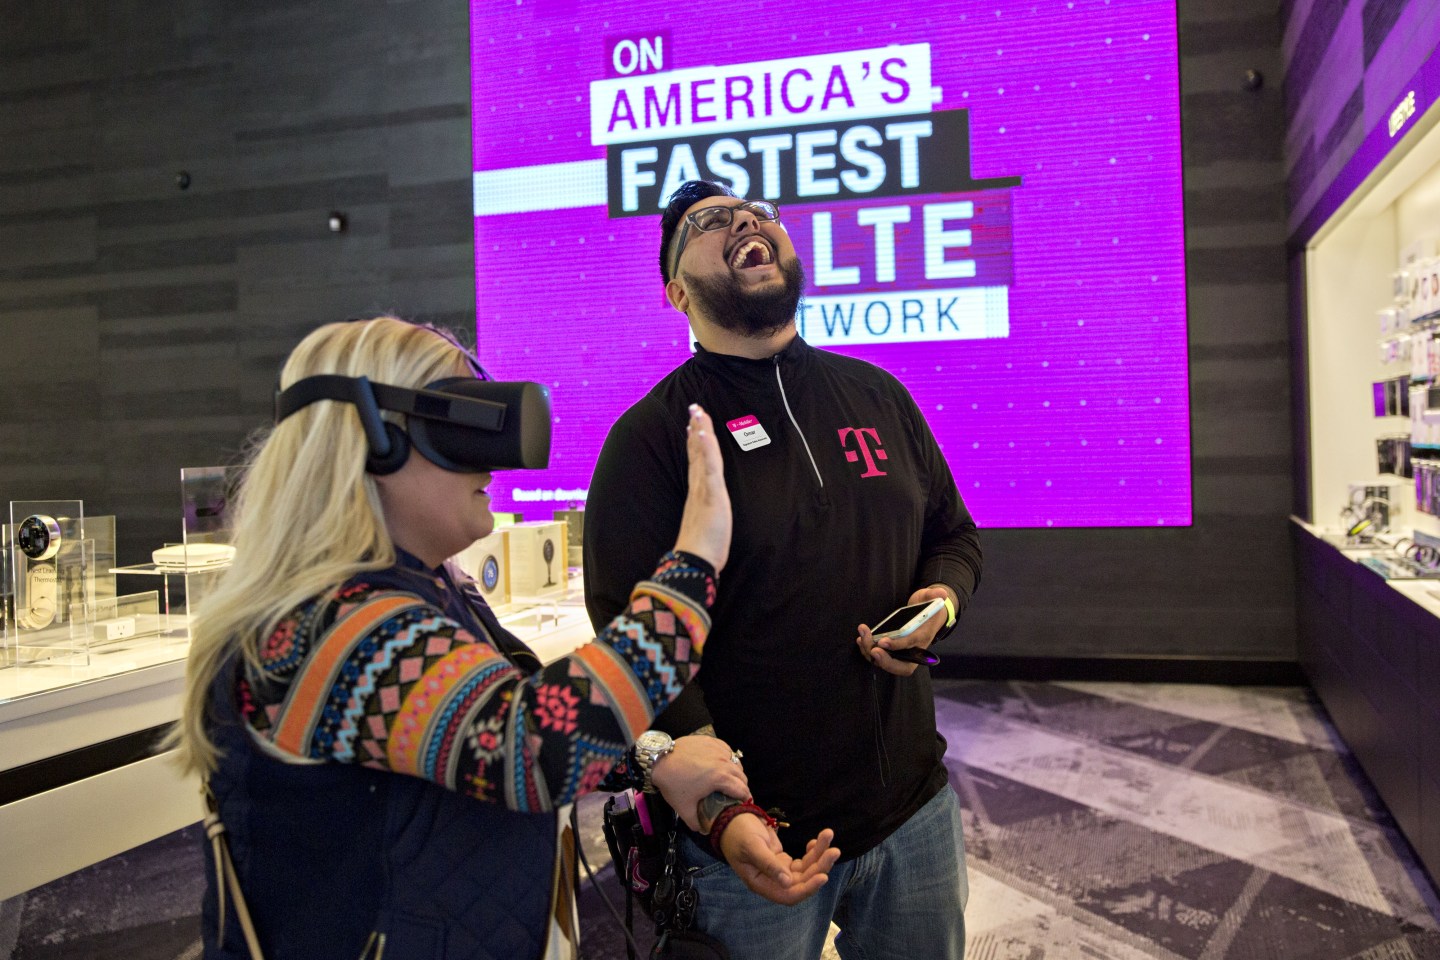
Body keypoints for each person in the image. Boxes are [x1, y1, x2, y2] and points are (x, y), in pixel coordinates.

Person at [170, 316, 838, 960]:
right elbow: (527, 749)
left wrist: (656, 761)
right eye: (460, 427)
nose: (492, 461)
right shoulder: (319, 627)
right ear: (376, 440)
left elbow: (497, 717)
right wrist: (694, 563)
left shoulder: (426, 591)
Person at [584, 182, 984, 960]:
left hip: (914, 808)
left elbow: (954, 536)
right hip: (751, 839)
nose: (744, 219)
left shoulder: (877, 394)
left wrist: (941, 601)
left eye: (758, 211)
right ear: (676, 293)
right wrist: (721, 814)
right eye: (707, 223)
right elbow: (631, 636)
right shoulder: (653, 438)